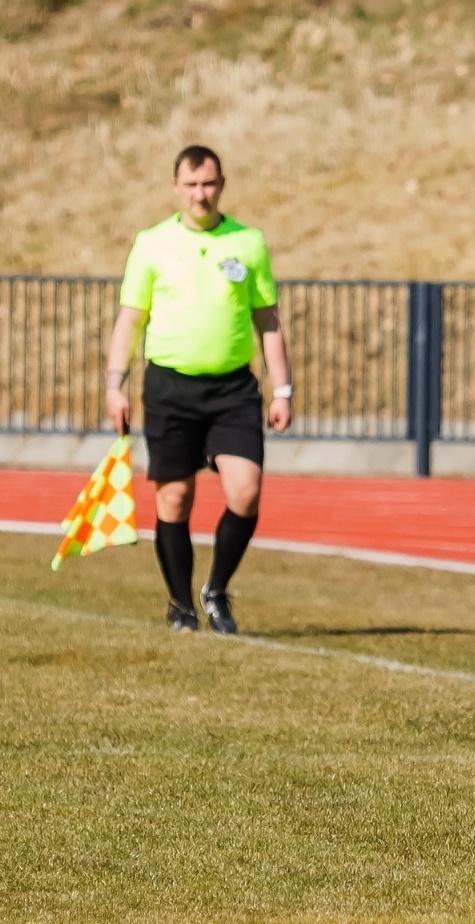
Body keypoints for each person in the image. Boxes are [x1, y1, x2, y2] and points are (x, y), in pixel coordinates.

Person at [103, 145, 293, 634]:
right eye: (190, 185)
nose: (200, 194)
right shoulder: (152, 243)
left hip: (233, 390)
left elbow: (268, 319)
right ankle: (180, 605)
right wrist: (114, 384)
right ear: (176, 188)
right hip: (170, 388)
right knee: (174, 500)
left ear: (221, 185)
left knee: (245, 491)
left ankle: (216, 589)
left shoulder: (248, 242)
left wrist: (283, 389)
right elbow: (130, 318)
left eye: (208, 183)